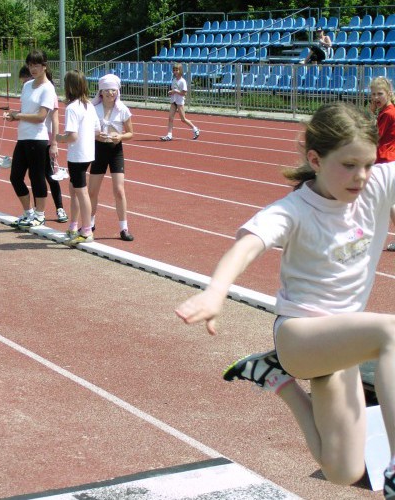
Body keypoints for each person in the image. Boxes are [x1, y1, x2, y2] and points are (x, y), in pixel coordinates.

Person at [175, 102, 395, 499]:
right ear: (315, 159)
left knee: (344, 469)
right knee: (391, 333)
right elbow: (246, 248)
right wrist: (215, 292)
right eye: (348, 165)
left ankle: (276, 379)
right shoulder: (293, 211)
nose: (361, 176)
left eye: (367, 164)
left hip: (341, 341)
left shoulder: (377, 184)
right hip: (302, 337)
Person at [4, 50, 58, 228]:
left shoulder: (48, 88)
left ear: (44, 66)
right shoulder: (27, 86)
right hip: (23, 136)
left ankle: (40, 214)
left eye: (37, 65)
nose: (33, 69)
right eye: (30, 65)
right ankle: (28, 213)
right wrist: (15, 116)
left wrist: (18, 115)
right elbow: (26, 110)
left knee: (36, 177)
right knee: (15, 176)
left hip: (38, 138)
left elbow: (41, 116)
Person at [17, 65, 68, 223]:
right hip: (33, 137)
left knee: (49, 175)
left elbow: (54, 118)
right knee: (36, 175)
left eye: (26, 80)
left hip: (45, 138)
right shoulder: (30, 89)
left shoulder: (48, 90)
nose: (25, 83)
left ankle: (60, 208)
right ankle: (35, 212)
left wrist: (54, 143)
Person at [55, 69, 100, 245]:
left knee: (80, 192)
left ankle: (87, 229)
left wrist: (59, 138)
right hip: (88, 153)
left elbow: (72, 136)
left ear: (69, 87)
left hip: (77, 155)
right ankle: (73, 226)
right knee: (74, 190)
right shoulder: (90, 106)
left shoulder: (72, 108)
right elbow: (97, 130)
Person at [89, 74, 134, 241]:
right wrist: (96, 136)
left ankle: (124, 228)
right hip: (98, 150)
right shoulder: (94, 109)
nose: (110, 94)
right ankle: (90, 224)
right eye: (107, 90)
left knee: (119, 190)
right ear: (101, 92)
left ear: (117, 91)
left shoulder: (122, 109)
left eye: (113, 90)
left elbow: (130, 133)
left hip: (115, 150)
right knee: (92, 191)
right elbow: (87, 132)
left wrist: (120, 137)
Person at [369, 76, 395, 251]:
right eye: (373, 94)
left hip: (384, 161)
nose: (376, 98)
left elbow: (374, 136)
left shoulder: (387, 113)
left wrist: (370, 115)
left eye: (380, 94)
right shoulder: (389, 111)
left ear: (388, 94)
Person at [160, 62, 200, 142]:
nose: (175, 72)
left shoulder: (183, 81)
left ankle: (195, 129)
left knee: (183, 119)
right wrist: (171, 92)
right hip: (173, 101)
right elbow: (173, 90)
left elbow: (184, 93)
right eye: (174, 70)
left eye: (177, 70)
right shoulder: (174, 80)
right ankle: (169, 135)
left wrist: (175, 91)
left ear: (180, 70)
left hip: (179, 101)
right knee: (170, 118)